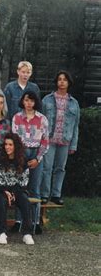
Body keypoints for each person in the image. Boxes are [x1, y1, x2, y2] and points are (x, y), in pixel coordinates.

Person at [12, 91, 49, 234]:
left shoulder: (42, 119)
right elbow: (14, 140)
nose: (29, 103)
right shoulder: (17, 118)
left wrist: (37, 159)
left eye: (32, 101)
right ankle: (18, 221)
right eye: (26, 100)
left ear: (36, 102)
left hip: (36, 154)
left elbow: (45, 141)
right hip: (21, 154)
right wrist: (20, 158)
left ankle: (35, 222)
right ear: (22, 101)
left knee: (34, 189)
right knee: (20, 188)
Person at [41, 71, 80, 205]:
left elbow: (76, 126)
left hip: (65, 140)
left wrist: (73, 144)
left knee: (60, 169)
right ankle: (44, 194)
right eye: (59, 79)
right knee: (47, 167)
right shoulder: (47, 100)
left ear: (68, 83)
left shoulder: (74, 103)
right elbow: (41, 120)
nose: (62, 82)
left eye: (64, 80)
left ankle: (56, 194)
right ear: (56, 82)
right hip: (49, 139)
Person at [0, 133, 35, 245]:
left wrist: (14, 192)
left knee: (25, 201)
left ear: (16, 146)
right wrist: (5, 190)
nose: (7, 147)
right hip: (1, 190)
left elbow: (24, 181)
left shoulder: (23, 160)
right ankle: (2, 232)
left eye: (10, 144)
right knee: (1, 201)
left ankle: (27, 234)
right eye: (6, 144)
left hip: (17, 190)